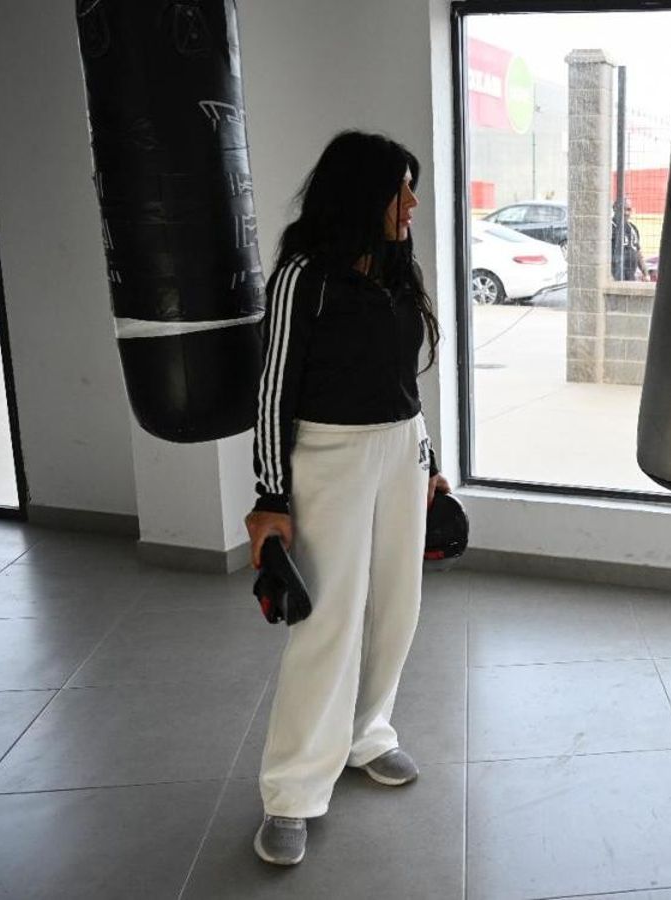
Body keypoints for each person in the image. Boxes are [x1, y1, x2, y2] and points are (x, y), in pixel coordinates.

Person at [244, 130, 451, 866]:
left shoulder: (398, 268)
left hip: (399, 451)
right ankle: (292, 791)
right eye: (402, 189)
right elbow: (273, 389)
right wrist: (271, 496)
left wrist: (428, 462)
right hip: (326, 458)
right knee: (326, 621)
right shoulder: (305, 275)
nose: (412, 203)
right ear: (364, 192)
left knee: (398, 605)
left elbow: (406, 380)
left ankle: (368, 733)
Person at [611, 198, 647, 281]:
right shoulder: (609, 227)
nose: (626, 213)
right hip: (615, 276)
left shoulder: (633, 228)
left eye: (628, 210)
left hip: (630, 276)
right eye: (623, 209)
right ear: (615, 208)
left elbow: (638, 253)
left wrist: (646, 273)